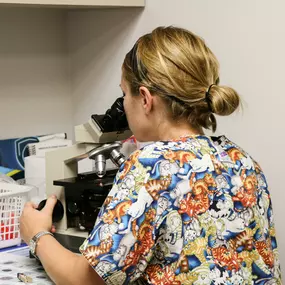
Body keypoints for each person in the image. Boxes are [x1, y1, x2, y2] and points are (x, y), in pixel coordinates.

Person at [20, 26, 282, 285]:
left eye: (124, 93)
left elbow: (85, 280)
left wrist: (37, 234)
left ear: (145, 98)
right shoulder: (243, 160)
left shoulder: (150, 166)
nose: (123, 103)